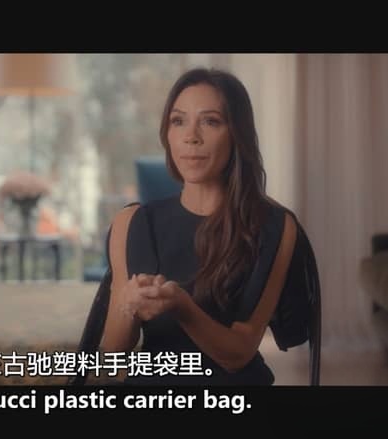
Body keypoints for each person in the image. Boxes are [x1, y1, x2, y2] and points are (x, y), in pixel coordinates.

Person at [98, 68, 304, 386]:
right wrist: (129, 304)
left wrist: (182, 306)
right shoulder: (132, 223)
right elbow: (112, 358)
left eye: (210, 121)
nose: (191, 136)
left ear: (236, 134)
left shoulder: (275, 226)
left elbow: (239, 353)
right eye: (178, 121)